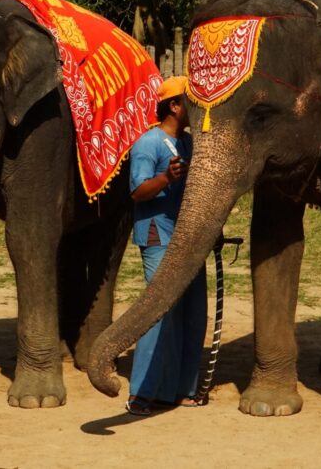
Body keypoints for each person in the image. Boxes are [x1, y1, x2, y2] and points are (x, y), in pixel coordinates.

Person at [124, 76, 207, 416]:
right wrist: (166, 179)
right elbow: (137, 192)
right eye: (190, 101)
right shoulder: (149, 144)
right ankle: (141, 392)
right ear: (174, 106)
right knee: (159, 313)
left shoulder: (187, 143)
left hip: (188, 239)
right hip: (159, 235)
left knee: (191, 313)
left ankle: (179, 390)